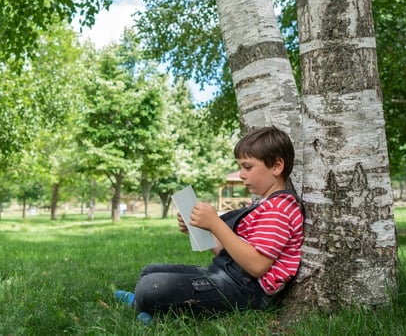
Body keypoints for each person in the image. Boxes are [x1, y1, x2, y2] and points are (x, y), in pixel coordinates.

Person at [115, 126, 304, 323]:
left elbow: (256, 266)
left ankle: (149, 308)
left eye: (247, 167)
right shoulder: (263, 205)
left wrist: (215, 223)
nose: (241, 174)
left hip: (245, 291)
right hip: (226, 275)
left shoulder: (280, 209)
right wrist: (197, 229)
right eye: (240, 167)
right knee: (149, 271)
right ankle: (150, 307)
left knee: (150, 286)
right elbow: (230, 252)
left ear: (276, 166)